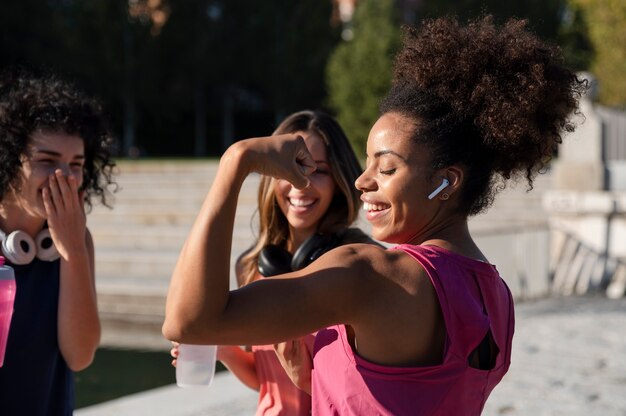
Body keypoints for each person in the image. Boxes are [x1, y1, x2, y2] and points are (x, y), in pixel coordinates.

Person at [163, 16, 586, 415]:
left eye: (386, 168)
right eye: (366, 164)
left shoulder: (367, 274)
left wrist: (238, 160)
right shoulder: (496, 295)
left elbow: (188, 322)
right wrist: (309, 378)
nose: (363, 181)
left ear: (447, 181)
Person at [170, 110, 379, 415]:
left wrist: (308, 377)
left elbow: (370, 389)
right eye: (293, 168)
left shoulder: (361, 263)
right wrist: (228, 352)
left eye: (318, 170)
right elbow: (266, 379)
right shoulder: (253, 265)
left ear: (339, 179)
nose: (301, 183)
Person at [0, 68, 116, 415]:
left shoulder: (76, 242)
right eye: (47, 161)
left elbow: (79, 356)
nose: (64, 176)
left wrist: (73, 251)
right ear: (8, 161)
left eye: (76, 164)